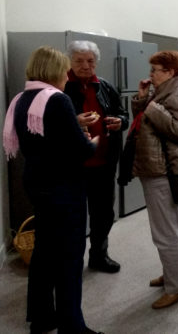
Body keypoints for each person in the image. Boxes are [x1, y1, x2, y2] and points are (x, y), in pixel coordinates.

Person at [3, 46, 101, 334]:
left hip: (36, 183)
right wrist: (90, 141)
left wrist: (72, 130)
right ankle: (73, 326)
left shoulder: (21, 98)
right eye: (63, 70)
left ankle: (42, 318)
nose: (65, 75)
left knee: (44, 254)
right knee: (70, 258)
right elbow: (80, 150)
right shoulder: (57, 99)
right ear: (55, 71)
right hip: (64, 188)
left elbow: (42, 139)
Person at [129, 51, 178, 309]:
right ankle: (172, 273)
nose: (151, 75)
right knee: (167, 228)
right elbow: (145, 121)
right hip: (157, 168)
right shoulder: (165, 92)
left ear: (170, 72)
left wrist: (152, 107)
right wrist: (142, 99)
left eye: (155, 70)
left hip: (163, 171)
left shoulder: (177, 94)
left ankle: (177, 287)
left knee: (164, 232)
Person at [64, 40, 129, 273]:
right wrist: (75, 121)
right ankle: (72, 261)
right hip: (75, 165)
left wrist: (120, 122)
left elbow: (123, 114)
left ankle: (99, 256)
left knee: (104, 214)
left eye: (90, 61)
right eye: (79, 60)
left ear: (96, 63)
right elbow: (51, 125)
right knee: (74, 216)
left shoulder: (106, 86)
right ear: (69, 61)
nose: (85, 65)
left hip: (104, 162)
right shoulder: (61, 88)